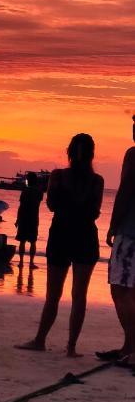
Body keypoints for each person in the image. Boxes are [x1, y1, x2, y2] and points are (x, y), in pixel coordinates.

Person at [16, 133, 104, 357]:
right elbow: (94, 212)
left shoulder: (57, 176)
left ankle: (40, 340)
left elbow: (52, 205)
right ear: (92, 154)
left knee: (53, 295)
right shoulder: (97, 181)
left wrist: (68, 203)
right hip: (85, 236)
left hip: (61, 235)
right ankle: (71, 347)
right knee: (79, 295)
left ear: (69, 152)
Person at [97, 116, 135, 364]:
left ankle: (131, 348)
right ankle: (128, 347)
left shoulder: (133, 155)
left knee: (120, 289)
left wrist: (112, 224)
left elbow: (126, 190)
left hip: (131, 232)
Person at [15, 172, 43, 267]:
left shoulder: (25, 191)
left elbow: (21, 206)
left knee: (22, 241)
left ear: (28, 180)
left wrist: (18, 219)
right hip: (33, 218)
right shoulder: (39, 192)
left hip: (23, 218)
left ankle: (21, 262)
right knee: (33, 241)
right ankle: (31, 263)